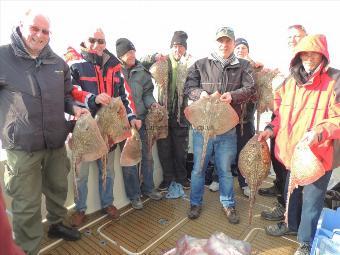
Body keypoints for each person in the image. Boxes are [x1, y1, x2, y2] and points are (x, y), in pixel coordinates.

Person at [0, 10, 83, 255]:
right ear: (21, 27)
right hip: (21, 146)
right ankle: (28, 249)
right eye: (34, 28)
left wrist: (75, 107)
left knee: (59, 188)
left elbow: (67, 96)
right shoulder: (3, 56)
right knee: (27, 203)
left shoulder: (58, 63)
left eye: (45, 31)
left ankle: (56, 224)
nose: (39, 35)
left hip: (56, 142)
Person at [258, 34, 340, 255]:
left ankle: (305, 240)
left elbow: (338, 118)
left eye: (314, 53)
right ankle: (289, 224)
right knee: (291, 193)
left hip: (319, 155)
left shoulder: (336, 80)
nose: (309, 58)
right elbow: (279, 115)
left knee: (312, 201)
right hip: (292, 154)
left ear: (323, 55)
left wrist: (319, 132)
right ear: (298, 56)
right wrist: (269, 130)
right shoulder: (289, 82)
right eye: (304, 53)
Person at [68, 28, 141, 226]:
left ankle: (107, 203)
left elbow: (125, 95)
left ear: (105, 43)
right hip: (83, 128)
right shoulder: (74, 64)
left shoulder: (115, 66)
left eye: (101, 41)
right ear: (84, 41)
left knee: (107, 170)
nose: (96, 44)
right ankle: (80, 208)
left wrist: (132, 116)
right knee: (80, 174)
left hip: (108, 128)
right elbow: (70, 91)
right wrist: (92, 98)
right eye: (92, 40)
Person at [184, 27, 256, 224]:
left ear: (233, 43)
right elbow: (188, 87)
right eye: (220, 41)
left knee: (224, 169)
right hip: (203, 127)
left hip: (227, 128)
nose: (224, 45)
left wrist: (233, 96)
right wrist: (201, 94)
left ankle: (228, 203)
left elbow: (251, 89)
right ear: (215, 42)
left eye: (228, 41)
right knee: (198, 168)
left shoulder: (243, 66)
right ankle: (195, 202)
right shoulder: (200, 64)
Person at [259, 25, 307, 222]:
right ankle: (280, 194)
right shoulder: (289, 62)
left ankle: (288, 213)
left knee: (294, 176)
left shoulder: (309, 65)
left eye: (298, 36)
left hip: (298, 129)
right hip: (280, 119)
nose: (293, 40)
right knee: (278, 161)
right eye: (290, 37)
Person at [142, 31, 192, 191]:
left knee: (180, 150)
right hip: (161, 115)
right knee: (164, 148)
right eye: (175, 46)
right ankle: (168, 178)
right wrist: (154, 56)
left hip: (182, 116)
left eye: (181, 46)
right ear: (171, 47)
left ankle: (182, 178)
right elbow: (142, 62)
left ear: (185, 49)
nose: (178, 49)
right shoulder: (162, 61)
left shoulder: (189, 64)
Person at [115, 38, 163, 209]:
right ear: (120, 55)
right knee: (129, 160)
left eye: (134, 52)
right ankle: (134, 195)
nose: (132, 55)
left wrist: (152, 103)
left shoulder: (142, 71)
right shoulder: (115, 71)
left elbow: (148, 93)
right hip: (124, 125)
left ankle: (148, 188)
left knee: (147, 157)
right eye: (129, 53)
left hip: (142, 121)